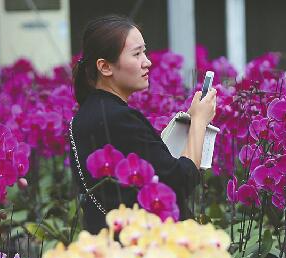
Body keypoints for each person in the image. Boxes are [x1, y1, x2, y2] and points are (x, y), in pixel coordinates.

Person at [70, 15, 216, 234]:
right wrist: (199, 123)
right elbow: (182, 179)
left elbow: (152, 170)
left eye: (144, 52)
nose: (147, 61)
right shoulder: (119, 119)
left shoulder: (83, 117)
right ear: (105, 67)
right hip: (140, 249)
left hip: (105, 243)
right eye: (136, 54)